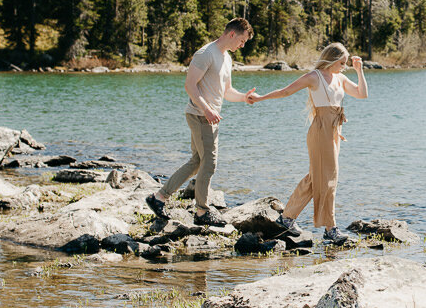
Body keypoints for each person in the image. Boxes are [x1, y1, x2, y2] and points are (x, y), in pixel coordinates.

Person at [248, 42, 367, 242]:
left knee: (316, 177)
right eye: (342, 63)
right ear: (331, 60)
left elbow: (362, 94)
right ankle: (331, 229)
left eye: (346, 64)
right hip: (320, 131)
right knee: (329, 179)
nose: (344, 67)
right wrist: (260, 98)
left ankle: (286, 218)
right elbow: (286, 91)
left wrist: (359, 71)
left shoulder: (340, 78)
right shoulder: (314, 77)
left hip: (335, 131)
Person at [155, 17, 256, 214]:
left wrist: (244, 97)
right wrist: (207, 110)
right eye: (242, 41)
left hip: (208, 116)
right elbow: (189, 86)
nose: (242, 45)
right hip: (200, 115)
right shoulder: (205, 53)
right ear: (232, 34)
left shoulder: (226, 58)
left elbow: (226, 91)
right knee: (209, 164)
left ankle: (159, 197)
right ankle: (202, 211)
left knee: (196, 162)